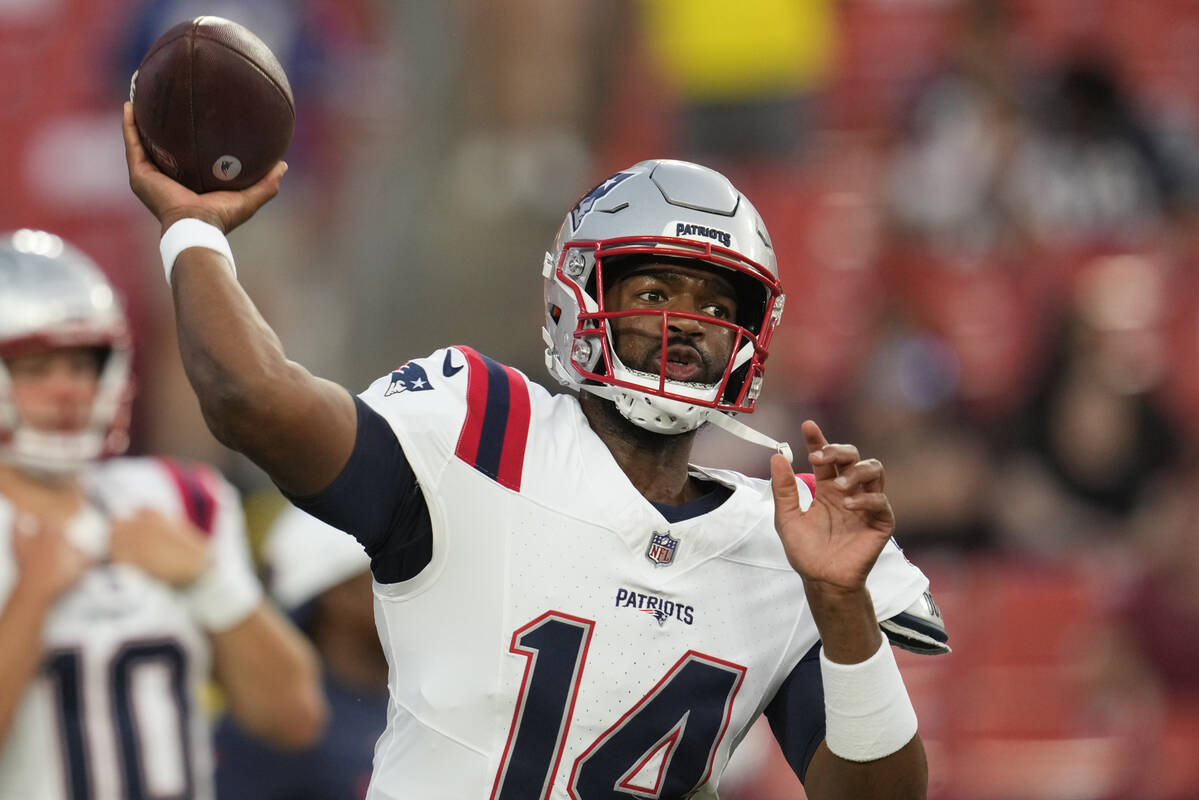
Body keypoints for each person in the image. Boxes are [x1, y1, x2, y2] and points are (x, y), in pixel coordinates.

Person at [123, 100, 950, 799]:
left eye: (711, 301)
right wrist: (193, 233)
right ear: (578, 299)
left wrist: (844, 612)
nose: (686, 320)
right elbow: (252, 399)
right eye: (654, 291)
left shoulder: (785, 544)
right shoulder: (481, 427)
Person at [0, 228, 327, 799]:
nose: (68, 392)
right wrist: (32, 596)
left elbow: (294, 718)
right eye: (35, 369)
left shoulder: (178, 500)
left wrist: (209, 580)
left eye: (82, 365)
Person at [214, 504, 386, 799]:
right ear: (338, 594)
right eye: (391, 572)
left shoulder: (418, 695)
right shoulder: (272, 726)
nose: (412, 588)